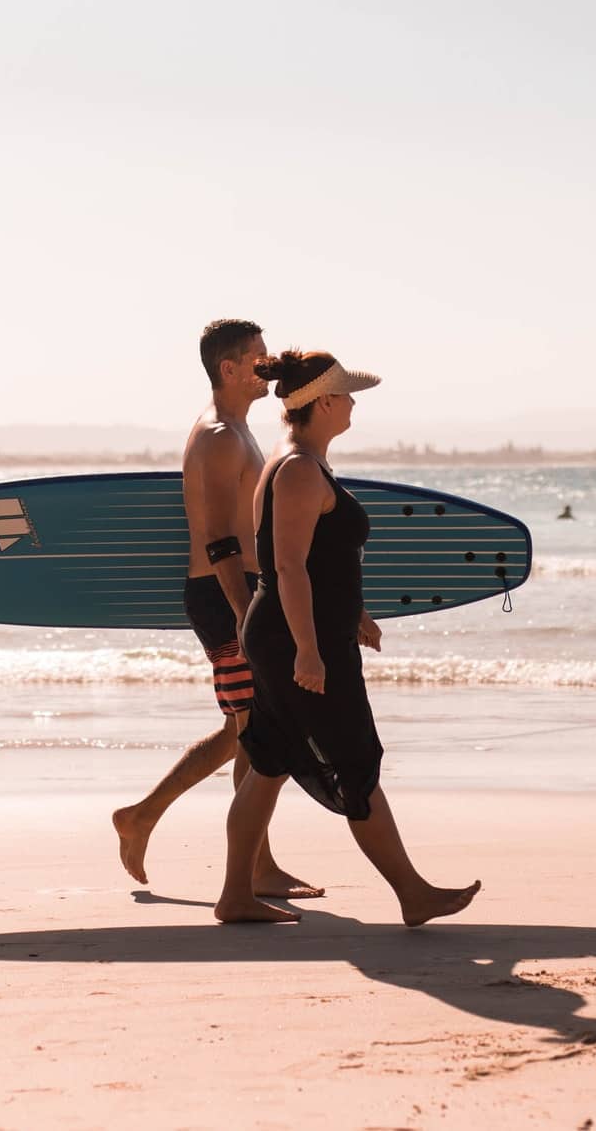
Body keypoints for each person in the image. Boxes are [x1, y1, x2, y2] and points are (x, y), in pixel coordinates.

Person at [215, 350, 479, 926]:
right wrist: (309, 649)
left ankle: (236, 895)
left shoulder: (303, 463)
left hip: (290, 630)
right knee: (355, 757)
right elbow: (288, 567)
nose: (355, 403)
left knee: (269, 758)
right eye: (348, 395)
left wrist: (354, 611)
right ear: (324, 402)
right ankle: (413, 893)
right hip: (295, 637)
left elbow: (321, 559)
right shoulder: (300, 471)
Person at [113, 320, 316, 898]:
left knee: (250, 729)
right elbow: (220, 541)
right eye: (257, 356)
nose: (266, 361)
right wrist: (247, 613)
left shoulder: (239, 431)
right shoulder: (222, 435)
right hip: (227, 594)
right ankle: (144, 815)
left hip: (240, 591)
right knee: (251, 730)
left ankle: (255, 862)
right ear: (229, 369)